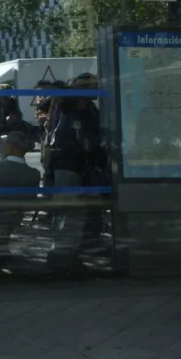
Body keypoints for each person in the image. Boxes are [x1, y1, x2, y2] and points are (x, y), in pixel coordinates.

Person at [44, 73, 105, 269]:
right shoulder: (78, 111)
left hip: (67, 165)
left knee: (70, 213)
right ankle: (64, 255)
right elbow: (86, 142)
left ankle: (65, 251)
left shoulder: (66, 110)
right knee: (71, 213)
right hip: (71, 166)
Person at [0, 131, 42, 259]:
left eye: (5, 144)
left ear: (12, 147)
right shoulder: (34, 174)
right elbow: (30, 202)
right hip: (14, 219)